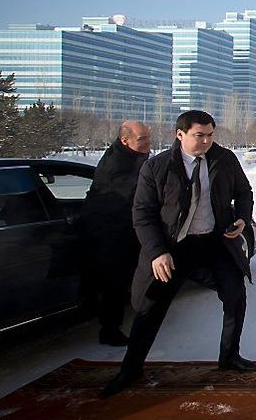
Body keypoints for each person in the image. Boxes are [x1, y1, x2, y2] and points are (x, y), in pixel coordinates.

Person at [101, 110, 256, 398]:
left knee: (235, 295)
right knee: (151, 307)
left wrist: (242, 218)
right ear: (180, 134)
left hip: (215, 242)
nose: (207, 141)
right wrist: (157, 252)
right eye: (200, 135)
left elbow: (244, 191)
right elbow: (143, 214)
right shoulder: (158, 167)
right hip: (174, 247)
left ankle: (229, 356)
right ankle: (130, 368)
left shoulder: (224, 160)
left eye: (211, 134)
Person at [81, 120, 151, 346]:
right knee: (114, 282)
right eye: (143, 139)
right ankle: (109, 330)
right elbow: (138, 192)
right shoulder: (114, 165)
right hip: (108, 233)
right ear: (125, 140)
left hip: (123, 229)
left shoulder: (133, 156)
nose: (148, 143)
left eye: (148, 138)